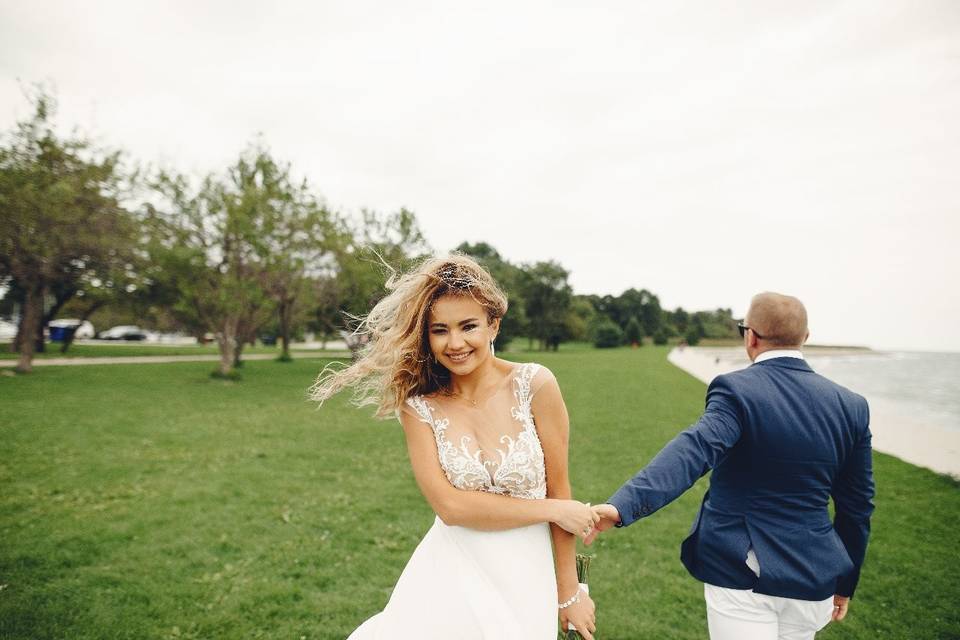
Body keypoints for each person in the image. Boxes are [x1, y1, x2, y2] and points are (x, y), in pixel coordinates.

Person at [311, 254, 598, 639]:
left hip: (526, 575)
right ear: (427, 336)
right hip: (450, 574)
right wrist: (555, 509)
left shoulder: (536, 385)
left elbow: (560, 486)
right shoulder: (419, 407)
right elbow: (450, 507)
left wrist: (569, 593)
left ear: (493, 325)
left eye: (468, 326)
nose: (456, 343)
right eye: (440, 330)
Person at [587, 292, 875, 640]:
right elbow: (857, 508)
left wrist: (621, 507)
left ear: (750, 336)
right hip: (813, 575)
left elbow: (695, 449)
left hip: (743, 569)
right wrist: (846, 582)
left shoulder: (737, 389)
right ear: (805, 338)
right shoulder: (852, 405)